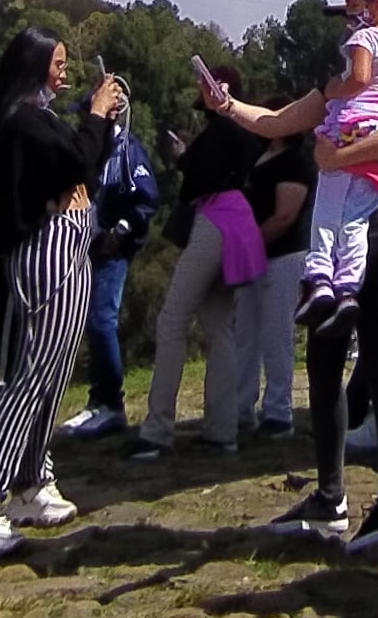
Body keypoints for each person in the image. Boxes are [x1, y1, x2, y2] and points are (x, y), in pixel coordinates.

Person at [213, 67, 378, 552]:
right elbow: (278, 121)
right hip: (336, 225)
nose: (352, 22)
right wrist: (227, 105)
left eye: (360, 8)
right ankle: (332, 499)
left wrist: (338, 156)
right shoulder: (337, 80)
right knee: (325, 359)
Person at [0, 33, 125, 555]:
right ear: (36, 67)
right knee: (28, 377)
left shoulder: (35, 119)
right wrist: (96, 113)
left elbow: (82, 163)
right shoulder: (24, 122)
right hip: (47, 249)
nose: (63, 74)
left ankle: (30, 479)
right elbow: (77, 162)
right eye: (58, 64)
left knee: (53, 373)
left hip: (69, 245)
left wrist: (99, 125)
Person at [126, 87, 262, 462]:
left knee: (172, 319)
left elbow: (200, 174)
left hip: (216, 219)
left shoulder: (222, 130)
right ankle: (223, 430)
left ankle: (156, 432)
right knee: (220, 327)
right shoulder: (241, 132)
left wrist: (184, 156)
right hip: (239, 222)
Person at [291, 0, 378, 334]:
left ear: (376, 5)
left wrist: (333, 88)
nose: (347, 10)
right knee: (356, 218)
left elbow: (359, 79)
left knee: (327, 209)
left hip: (350, 128)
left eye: (354, 1)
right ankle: (349, 288)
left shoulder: (363, 39)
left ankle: (320, 280)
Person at [60, 90, 159, 440]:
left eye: (91, 111)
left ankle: (111, 405)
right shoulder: (90, 149)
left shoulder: (126, 150)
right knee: (89, 321)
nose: (85, 119)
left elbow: (146, 199)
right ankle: (97, 398)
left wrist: (119, 232)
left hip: (111, 249)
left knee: (102, 320)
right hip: (85, 244)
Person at [235, 128, 315, 437]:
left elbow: (285, 216)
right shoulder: (258, 159)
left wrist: (251, 243)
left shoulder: (294, 163)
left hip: (283, 256)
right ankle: (242, 405)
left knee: (276, 334)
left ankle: (278, 411)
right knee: (245, 333)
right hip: (254, 257)